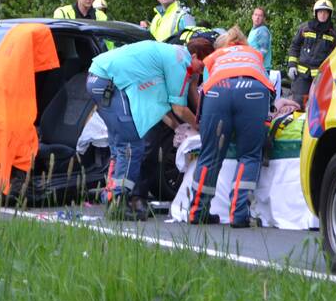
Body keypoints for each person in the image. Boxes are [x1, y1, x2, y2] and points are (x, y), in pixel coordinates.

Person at [86, 40, 203, 221]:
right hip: (108, 81)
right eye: (201, 65)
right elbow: (178, 108)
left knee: (119, 145)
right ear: (194, 55)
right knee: (132, 145)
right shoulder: (181, 60)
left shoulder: (164, 61)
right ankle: (119, 201)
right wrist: (199, 127)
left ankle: (113, 199)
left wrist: (178, 128)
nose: (200, 72)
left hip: (98, 76)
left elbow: (159, 108)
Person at [188, 26, 273, 227]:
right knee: (250, 155)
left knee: (209, 156)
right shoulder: (254, 54)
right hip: (252, 92)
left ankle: (197, 211)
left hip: (218, 91)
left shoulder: (215, 56)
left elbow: (205, 86)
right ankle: (239, 214)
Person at [287, 0, 336, 110]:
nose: (323, 15)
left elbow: (335, 56)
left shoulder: (333, 34)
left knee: (316, 107)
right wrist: (291, 65)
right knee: (297, 104)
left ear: (329, 14)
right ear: (315, 13)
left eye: (326, 12)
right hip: (301, 76)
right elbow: (295, 46)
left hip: (320, 77)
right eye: (320, 12)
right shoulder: (305, 28)